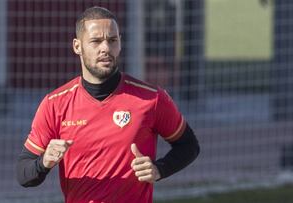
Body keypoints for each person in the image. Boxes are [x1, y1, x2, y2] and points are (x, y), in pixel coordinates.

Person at [16, 6, 200, 203]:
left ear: (120, 44)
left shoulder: (151, 99)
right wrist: (44, 162)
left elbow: (189, 146)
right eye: (96, 41)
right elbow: (24, 174)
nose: (105, 48)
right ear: (77, 46)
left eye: (112, 40)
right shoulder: (55, 104)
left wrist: (159, 169)